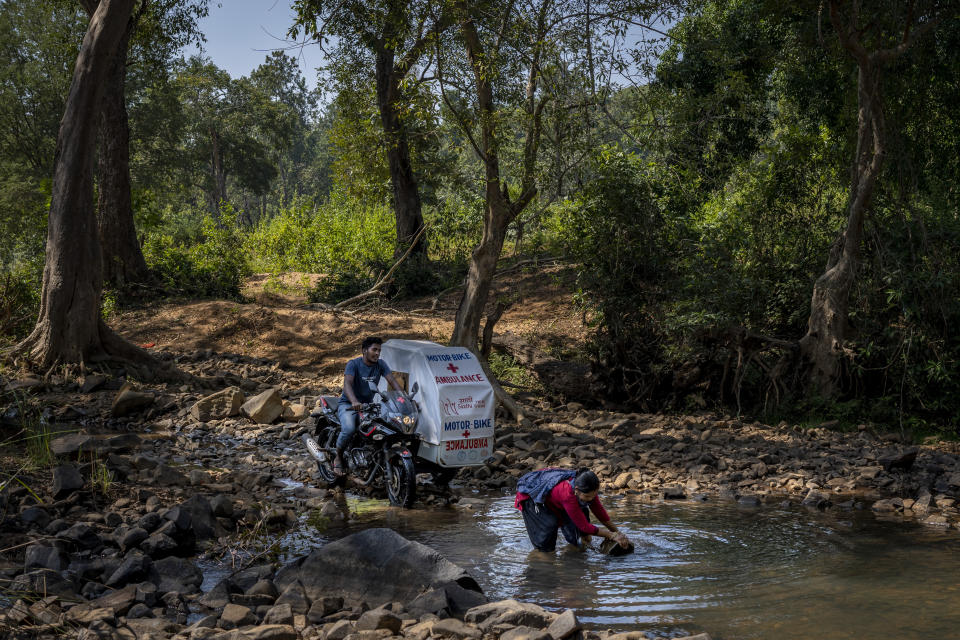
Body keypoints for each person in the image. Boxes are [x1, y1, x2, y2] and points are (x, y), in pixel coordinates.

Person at [515, 467, 630, 553]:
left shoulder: (588, 489)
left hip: (556, 499)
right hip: (532, 497)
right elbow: (584, 526)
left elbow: (600, 513)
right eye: (587, 497)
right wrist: (611, 535)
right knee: (547, 539)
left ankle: (576, 544)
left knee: (582, 515)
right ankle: (541, 560)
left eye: (593, 496)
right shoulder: (566, 492)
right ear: (576, 490)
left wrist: (618, 533)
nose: (590, 499)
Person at [334, 336, 403, 475]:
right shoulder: (353, 364)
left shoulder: (381, 365)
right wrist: (354, 401)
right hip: (348, 404)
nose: (377, 353)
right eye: (374, 349)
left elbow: (393, 381)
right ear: (365, 350)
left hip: (368, 406)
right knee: (349, 429)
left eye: (379, 350)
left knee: (383, 427)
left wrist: (404, 398)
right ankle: (338, 457)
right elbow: (347, 384)